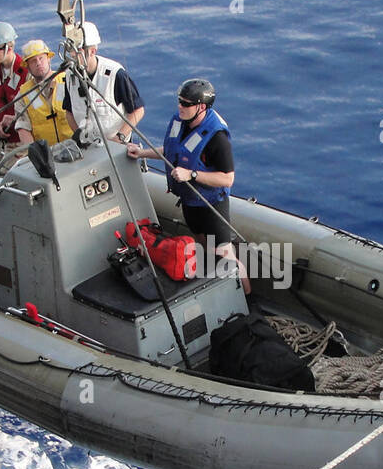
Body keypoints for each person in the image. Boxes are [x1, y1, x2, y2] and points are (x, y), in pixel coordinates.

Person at [127, 77, 249, 293]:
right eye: (179, 101)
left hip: (211, 204)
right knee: (204, 246)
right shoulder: (181, 122)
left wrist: (191, 174)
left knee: (226, 255)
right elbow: (174, 150)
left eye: (185, 103)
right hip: (189, 201)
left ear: (201, 107)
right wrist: (143, 153)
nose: (179, 106)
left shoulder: (217, 138)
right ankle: (216, 285)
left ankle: (247, 297)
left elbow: (227, 179)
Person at [62, 21, 145, 144]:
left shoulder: (115, 74)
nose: (73, 54)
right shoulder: (70, 76)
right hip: (88, 148)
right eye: (71, 50)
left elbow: (138, 111)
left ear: (92, 51)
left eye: (77, 50)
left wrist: (119, 137)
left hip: (117, 146)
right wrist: (79, 137)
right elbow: (69, 112)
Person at [13, 39, 77, 147]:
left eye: (41, 58)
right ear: (27, 66)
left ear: (48, 59)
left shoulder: (69, 81)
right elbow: (23, 128)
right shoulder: (23, 95)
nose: (38, 63)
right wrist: (36, 153)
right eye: (33, 61)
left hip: (75, 146)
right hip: (47, 154)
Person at [0, 22, 26, 143]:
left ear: (9, 48)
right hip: (5, 137)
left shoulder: (26, 71)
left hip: (22, 140)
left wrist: (14, 119)